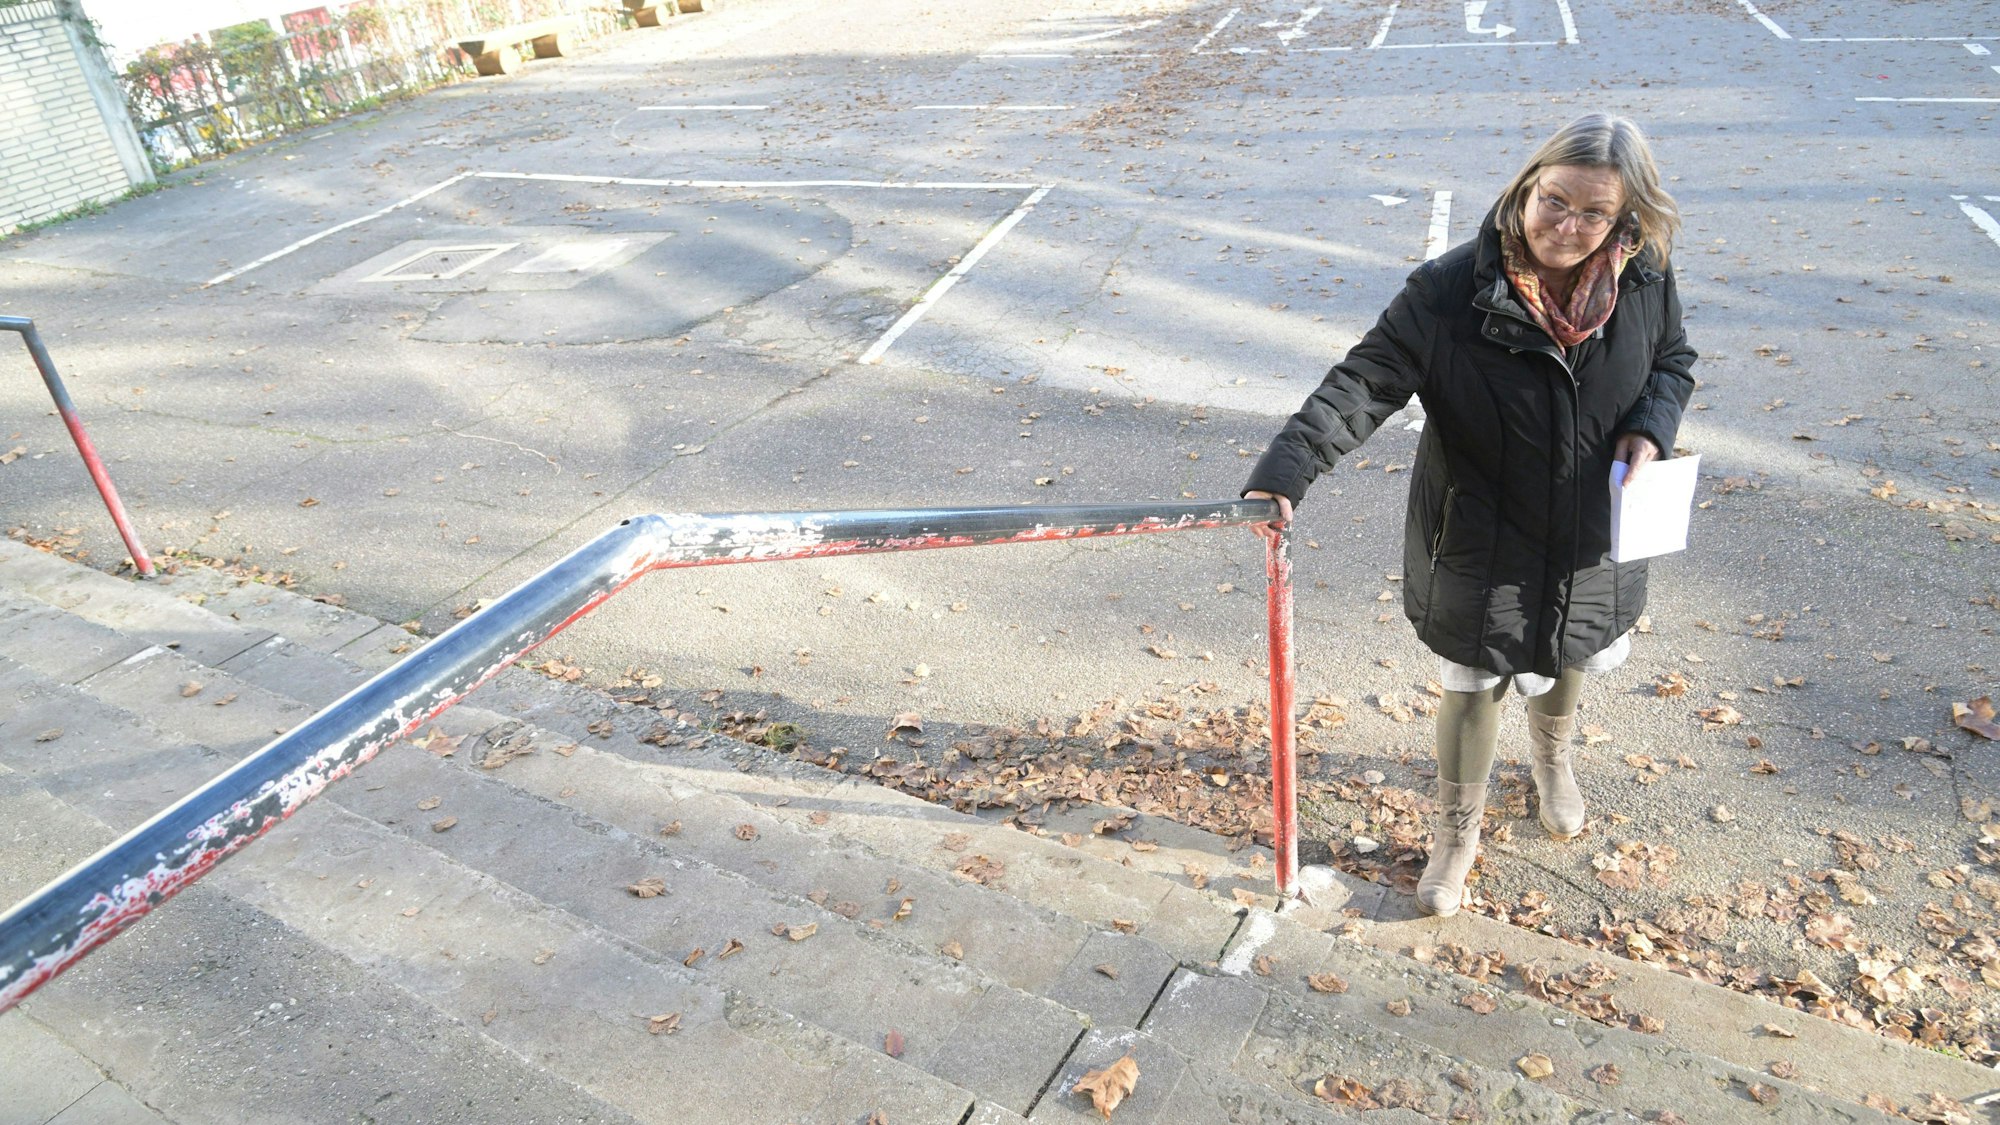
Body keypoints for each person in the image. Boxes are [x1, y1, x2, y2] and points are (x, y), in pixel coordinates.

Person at [1244, 114, 1697, 917]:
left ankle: (1551, 763)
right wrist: (1285, 471)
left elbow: (1671, 360)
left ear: (1623, 219)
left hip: (1595, 532)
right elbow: (1364, 381)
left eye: (1594, 213)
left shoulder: (1645, 275)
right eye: (1554, 200)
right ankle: (1458, 832)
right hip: (1479, 533)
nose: (1568, 226)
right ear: (1526, 185)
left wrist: (1649, 427)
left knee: (1570, 653)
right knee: (1475, 678)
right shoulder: (1451, 290)